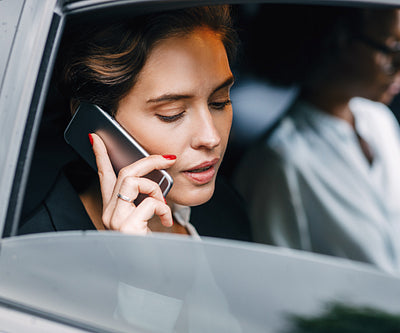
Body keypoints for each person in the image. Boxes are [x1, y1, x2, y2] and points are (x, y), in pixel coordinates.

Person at [234, 5, 400, 293]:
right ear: (335, 43)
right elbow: (277, 294)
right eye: (392, 49)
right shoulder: (280, 163)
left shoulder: (379, 121)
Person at [20, 5, 239, 237]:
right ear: (97, 122)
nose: (211, 137)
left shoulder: (226, 207)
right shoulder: (38, 253)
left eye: (219, 102)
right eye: (171, 113)